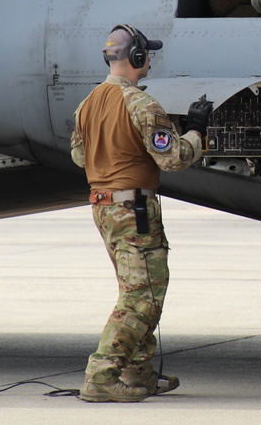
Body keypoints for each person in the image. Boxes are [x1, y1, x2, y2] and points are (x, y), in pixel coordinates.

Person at [70, 24, 213, 403]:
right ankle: (102, 374)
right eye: (147, 53)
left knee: (136, 288)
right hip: (134, 211)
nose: (149, 59)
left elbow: (79, 156)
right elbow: (174, 158)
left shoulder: (87, 104)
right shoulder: (141, 104)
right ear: (137, 57)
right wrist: (198, 130)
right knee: (143, 297)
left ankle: (137, 371)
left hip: (105, 209)